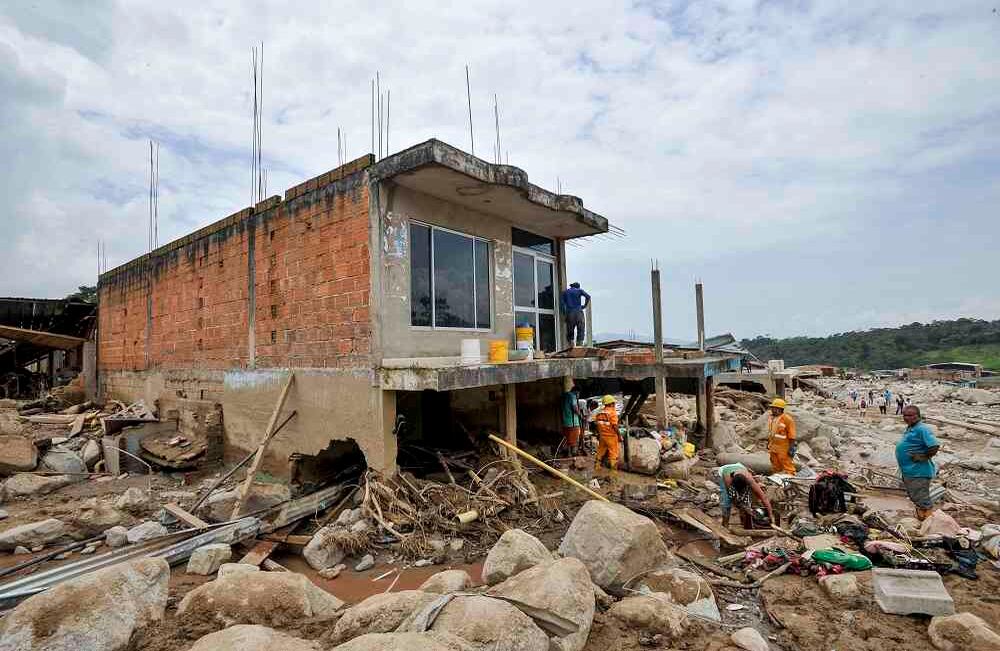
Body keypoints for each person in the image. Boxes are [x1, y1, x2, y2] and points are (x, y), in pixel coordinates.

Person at [896, 405, 941, 520]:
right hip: (910, 471)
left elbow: (934, 445)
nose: (906, 418)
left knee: (921, 498)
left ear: (918, 416)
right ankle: (921, 518)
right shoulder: (911, 428)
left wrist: (924, 456)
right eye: (905, 415)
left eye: (910, 415)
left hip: (919, 472)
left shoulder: (922, 429)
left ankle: (928, 521)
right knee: (915, 496)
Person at [717, 462, 775, 529]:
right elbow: (731, 496)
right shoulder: (728, 480)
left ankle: (744, 523)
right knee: (726, 502)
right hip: (724, 470)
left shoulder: (749, 480)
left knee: (746, 501)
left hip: (740, 468)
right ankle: (725, 524)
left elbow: (764, 498)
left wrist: (771, 515)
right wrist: (741, 506)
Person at [767, 398, 797, 474]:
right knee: (775, 465)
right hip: (773, 447)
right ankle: (778, 479)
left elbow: (792, 436)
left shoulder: (787, 419)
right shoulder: (772, 418)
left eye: (774, 408)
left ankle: (791, 478)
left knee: (787, 466)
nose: (772, 409)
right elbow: (771, 432)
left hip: (784, 448)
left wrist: (791, 448)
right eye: (772, 408)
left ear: (780, 409)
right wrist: (768, 443)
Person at [593, 395, 620, 477]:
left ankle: (597, 467)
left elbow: (596, 424)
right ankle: (614, 472)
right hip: (611, 437)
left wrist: (599, 433)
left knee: (600, 451)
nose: (614, 404)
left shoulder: (600, 412)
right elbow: (615, 426)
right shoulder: (612, 413)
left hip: (602, 436)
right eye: (613, 403)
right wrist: (619, 436)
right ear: (611, 404)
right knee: (613, 453)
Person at [560, 282, 591, 347]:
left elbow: (562, 305)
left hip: (570, 313)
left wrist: (565, 314)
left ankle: (571, 347)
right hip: (579, 313)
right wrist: (584, 306)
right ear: (577, 287)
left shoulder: (565, 292)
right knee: (581, 329)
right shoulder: (579, 290)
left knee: (570, 331)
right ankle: (579, 347)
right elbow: (588, 297)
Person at [561, 385, 585, 456]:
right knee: (573, 438)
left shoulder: (564, 395)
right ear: (577, 392)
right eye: (578, 393)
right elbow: (574, 407)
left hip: (565, 421)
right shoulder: (572, 396)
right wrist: (580, 415)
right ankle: (572, 453)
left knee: (567, 437)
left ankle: (568, 452)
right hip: (573, 422)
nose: (578, 395)